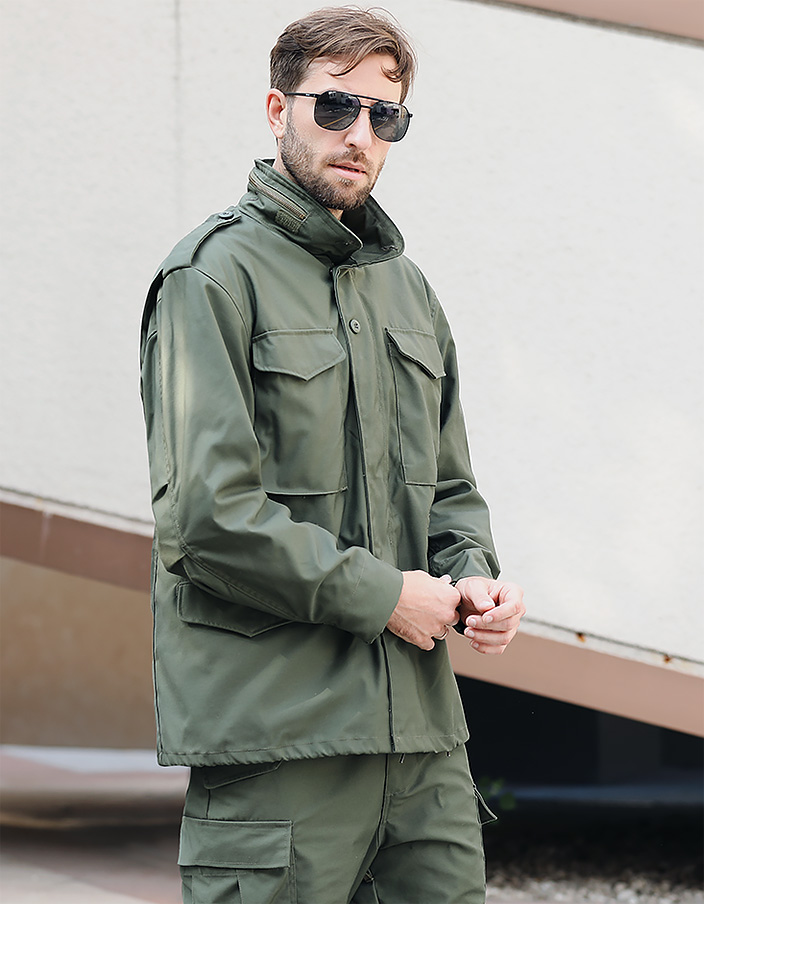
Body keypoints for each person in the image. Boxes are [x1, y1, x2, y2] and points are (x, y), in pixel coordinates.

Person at [139, 5, 525, 904]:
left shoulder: (408, 290)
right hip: (280, 743)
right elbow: (207, 520)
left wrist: (473, 578)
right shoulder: (210, 278)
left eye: (384, 115)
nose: (360, 134)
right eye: (336, 106)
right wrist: (386, 596)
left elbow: (450, 489)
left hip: (423, 746)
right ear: (279, 110)